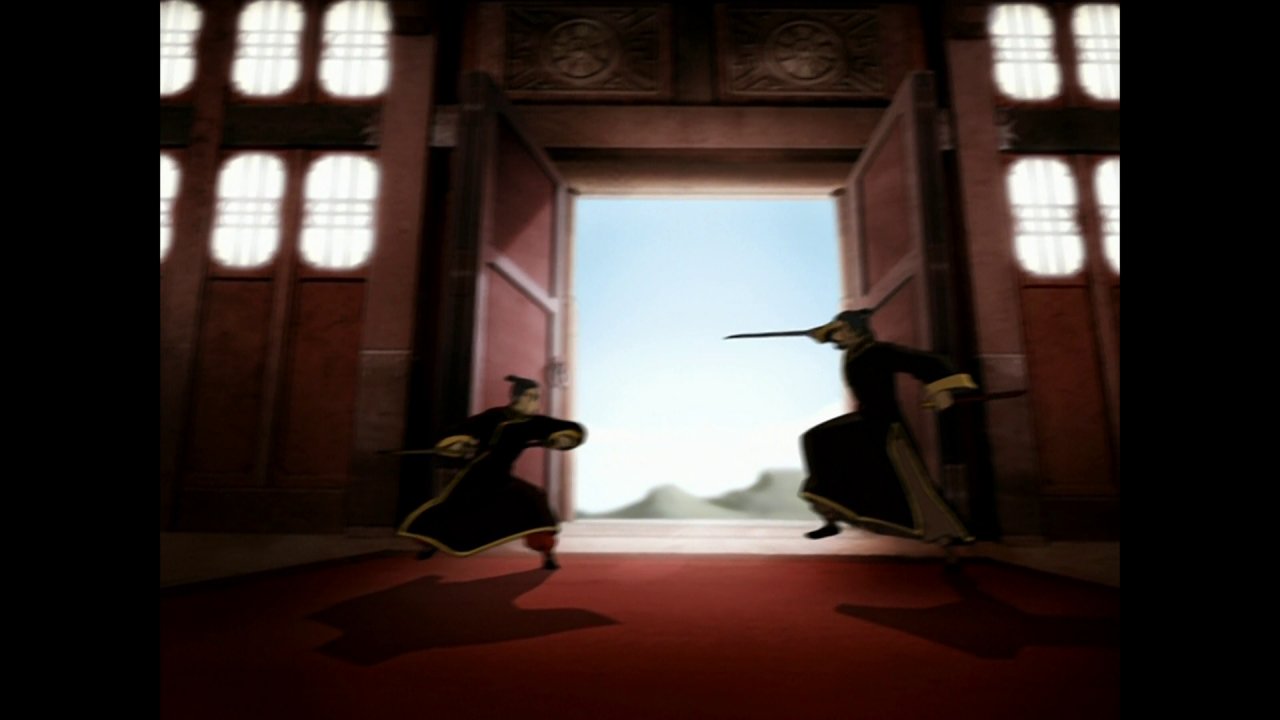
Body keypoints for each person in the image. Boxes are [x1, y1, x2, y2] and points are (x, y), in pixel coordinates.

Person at [799, 310, 978, 555]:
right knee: (817, 440)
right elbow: (830, 336)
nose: (835, 336)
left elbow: (926, 361)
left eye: (840, 330)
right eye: (835, 331)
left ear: (854, 331)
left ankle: (948, 538)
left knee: (913, 483)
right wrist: (823, 332)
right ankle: (830, 517)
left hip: (886, 424)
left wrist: (942, 389)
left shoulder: (879, 352)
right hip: (866, 420)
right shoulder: (855, 352)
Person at [397, 375, 586, 570]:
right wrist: (459, 441)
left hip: (502, 477)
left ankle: (547, 553)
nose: (535, 401)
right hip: (475, 476)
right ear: (516, 397)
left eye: (537, 397)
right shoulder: (493, 416)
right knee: (450, 509)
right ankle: (430, 544)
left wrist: (563, 437)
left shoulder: (534, 422)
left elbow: (568, 429)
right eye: (530, 397)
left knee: (535, 499)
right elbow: (462, 430)